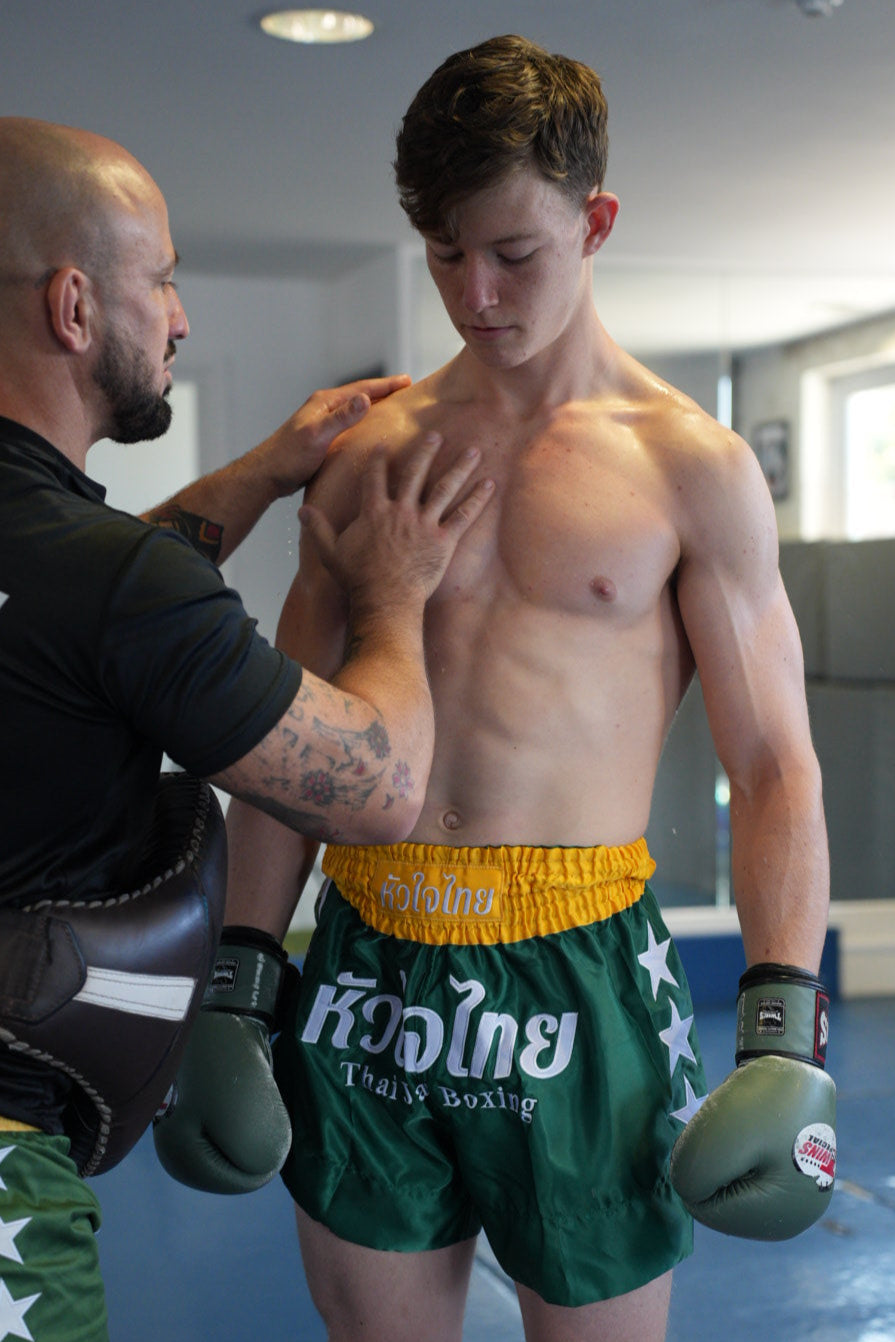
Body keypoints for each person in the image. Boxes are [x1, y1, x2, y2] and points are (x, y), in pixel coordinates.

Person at [161, 35, 835, 1342]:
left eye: (511, 252)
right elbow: (295, 745)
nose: (473, 292)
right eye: (441, 251)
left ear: (594, 222)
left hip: (578, 969)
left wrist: (780, 1025)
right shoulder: (365, 458)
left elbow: (773, 766)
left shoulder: (685, 464)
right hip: (371, 956)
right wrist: (244, 975)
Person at [0, 115, 493, 1342]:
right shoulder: (101, 580)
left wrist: (267, 471)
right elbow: (377, 789)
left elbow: (77, 599)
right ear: (73, 306)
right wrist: (392, 594)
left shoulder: (75, 566)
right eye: (160, 279)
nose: (178, 318)